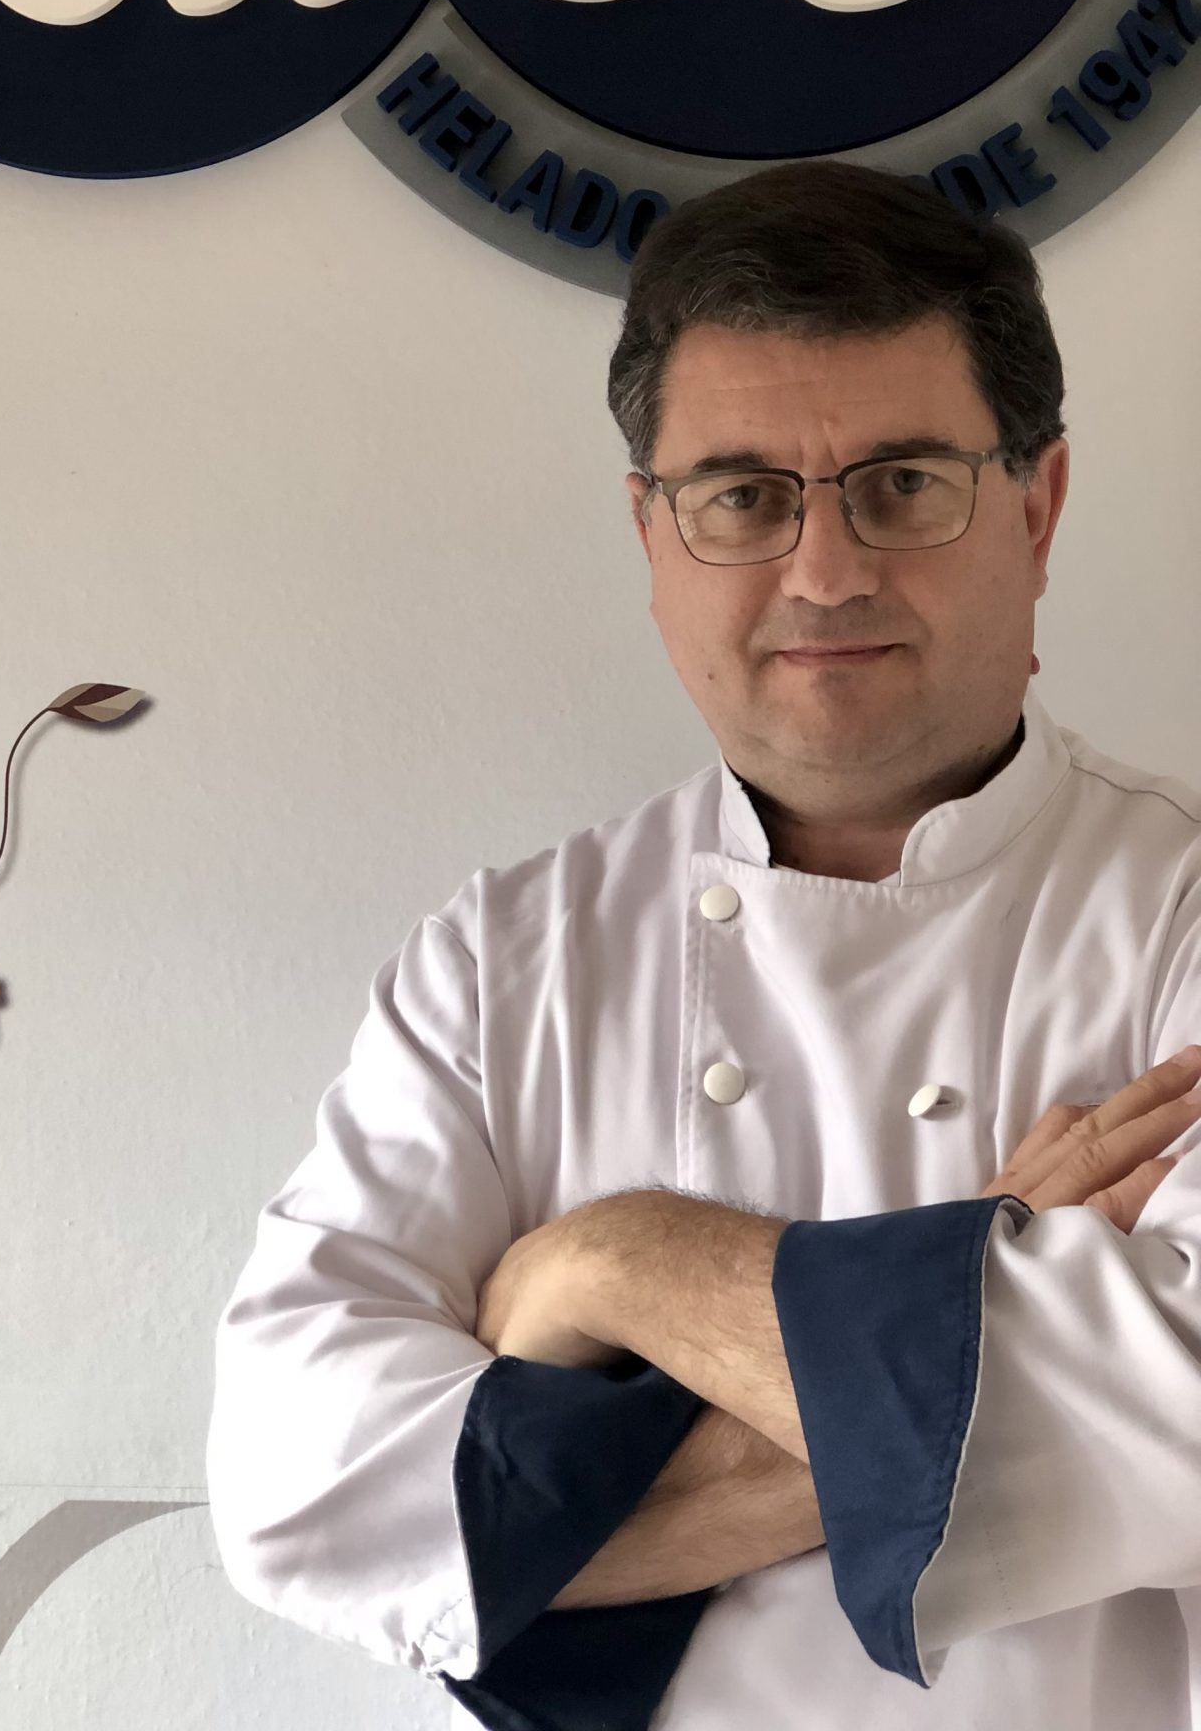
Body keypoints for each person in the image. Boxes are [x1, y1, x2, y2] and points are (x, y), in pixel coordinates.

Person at [205, 160, 1201, 1731]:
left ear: (1037, 504)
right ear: (651, 533)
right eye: (744, 496)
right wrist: (984, 1297)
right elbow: (297, 1490)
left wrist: (611, 1270)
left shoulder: (1182, 910)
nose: (825, 570)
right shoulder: (502, 967)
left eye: (903, 483)